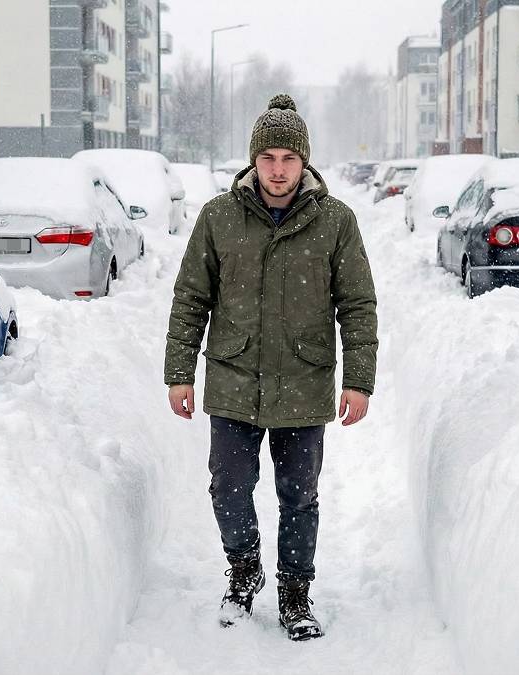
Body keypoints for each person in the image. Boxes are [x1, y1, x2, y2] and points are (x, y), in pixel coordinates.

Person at [163, 93, 379, 641]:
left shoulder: (335, 221)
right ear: (252, 161)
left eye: (288, 158)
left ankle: (295, 592)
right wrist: (179, 371)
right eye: (268, 158)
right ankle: (244, 567)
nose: (278, 170)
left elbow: (357, 305)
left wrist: (358, 380)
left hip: (304, 382)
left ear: (303, 161)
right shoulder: (218, 217)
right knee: (228, 487)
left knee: (299, 496)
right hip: (233, 379)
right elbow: (191, 297)